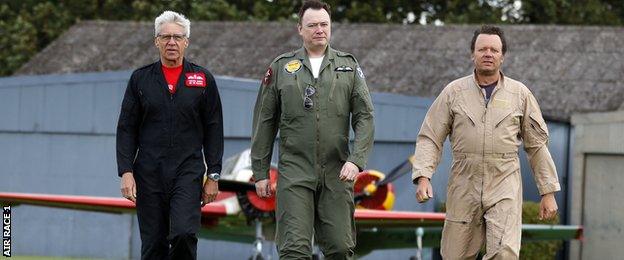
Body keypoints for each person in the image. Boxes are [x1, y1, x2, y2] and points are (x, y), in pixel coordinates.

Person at [412, 25, 560, 259]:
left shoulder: (520, 94)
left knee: (504, 254)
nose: (488, 54)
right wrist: (423, 176)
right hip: (464, 182)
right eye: (482, 49)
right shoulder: (453, 92)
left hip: (504, 182)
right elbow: (430, 136)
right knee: (455, 255)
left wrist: (548, 191)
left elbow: (537, 145)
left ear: (503, 56)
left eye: (494, 49)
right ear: (473, 54)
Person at [250, 0, 374, 258]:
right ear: (300, 29)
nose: (319, 29)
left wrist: (356, 159)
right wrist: (260, 171)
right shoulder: (281, 67)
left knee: (341, 248)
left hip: (338, 171)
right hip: (295, 171)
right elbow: (265, 122)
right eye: (313, 25)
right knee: (294, 250)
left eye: (324, 24)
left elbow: (365, 117)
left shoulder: (348, 66)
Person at [116, 10, 223, 260]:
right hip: (149, 173)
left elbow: (214, 129)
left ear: (187, 41)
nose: (171, 43)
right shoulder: (140, 79)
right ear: (156, 41)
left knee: (184, 234)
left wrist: (214, 174)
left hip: (188, 171)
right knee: (153, 245)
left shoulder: (203, 79)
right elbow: (126, 129)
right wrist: (126, 171)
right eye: (165, 37)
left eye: (177, 37)